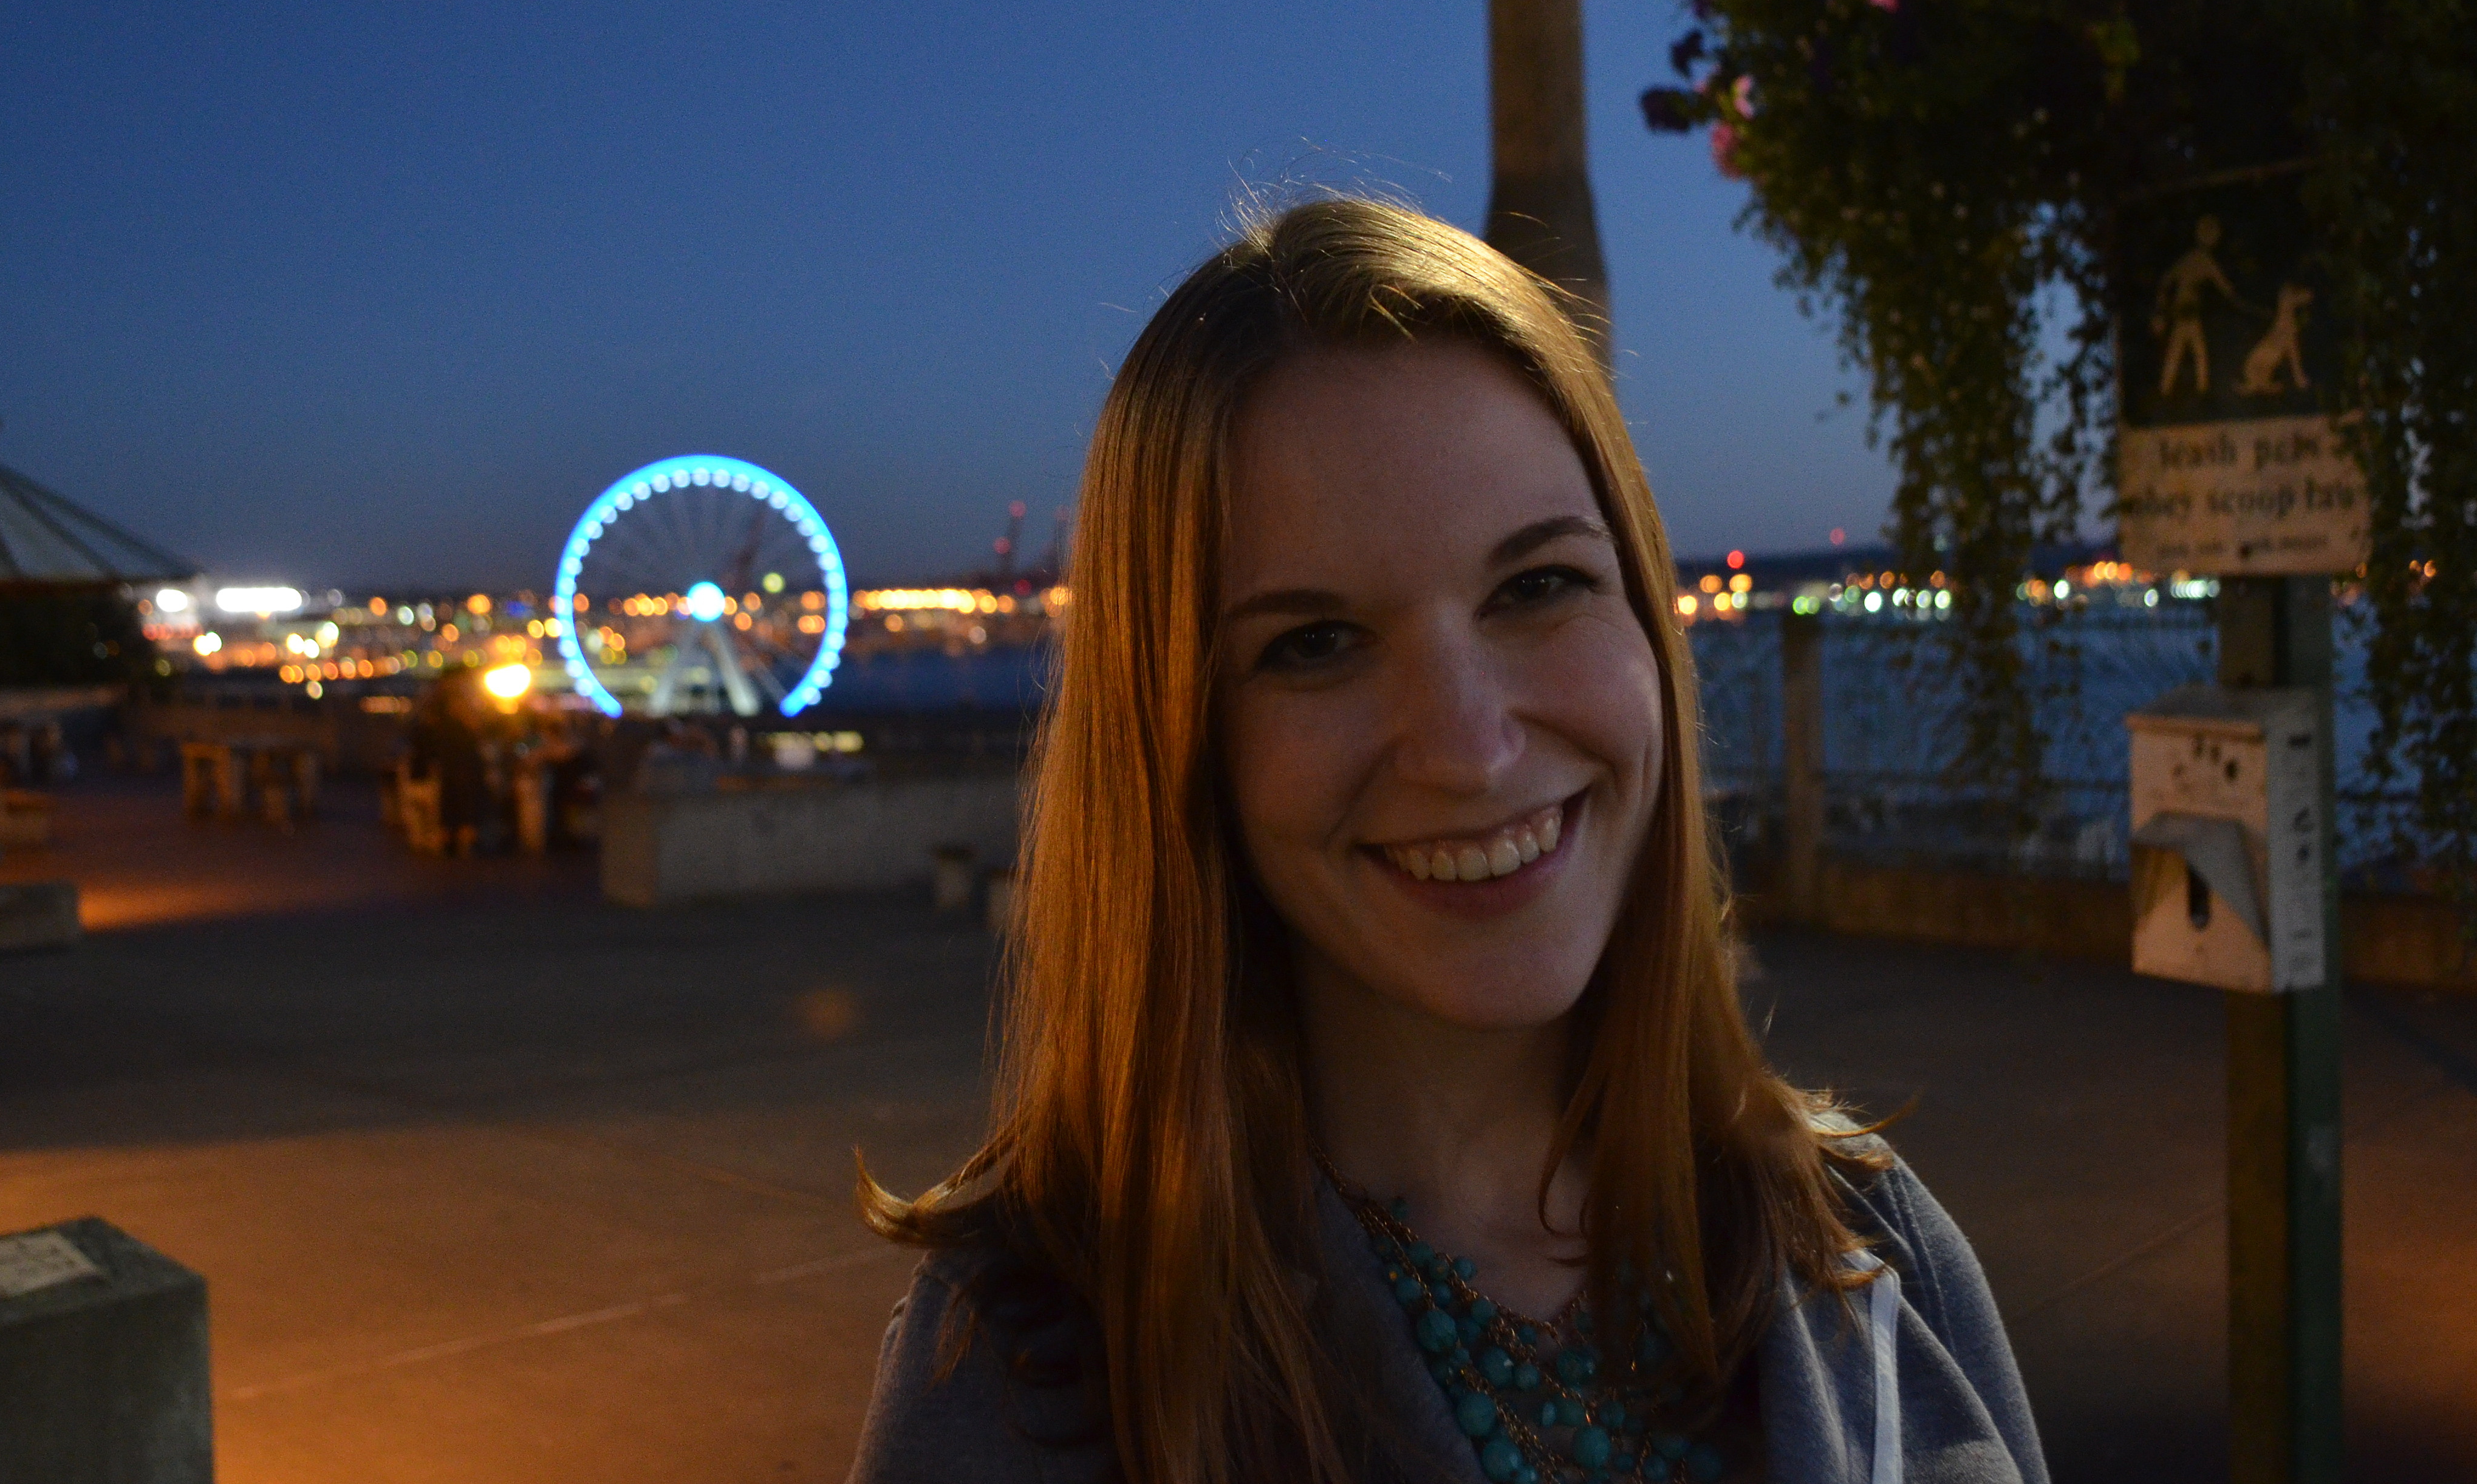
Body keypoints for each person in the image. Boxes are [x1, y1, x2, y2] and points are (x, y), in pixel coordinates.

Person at [849, 200, 2044, 1484]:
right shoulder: (1028, 1366)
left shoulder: (1872, 1246)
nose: (1469, 749)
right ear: (1175, 736)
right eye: (1315, 643)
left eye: (1536, 586)